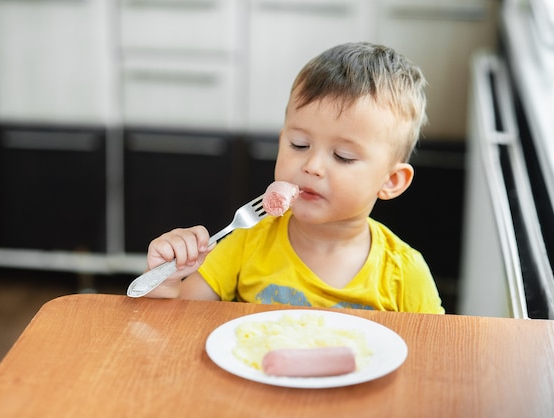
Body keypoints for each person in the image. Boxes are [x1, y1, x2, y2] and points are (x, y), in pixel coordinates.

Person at [143, 41, 444, 314]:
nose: (312, 166)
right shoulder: (247, 242)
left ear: (390, 181)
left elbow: (435, 356)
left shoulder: (404, 273)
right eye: (299, 145)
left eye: (343, 156)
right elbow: (179, 321)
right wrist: (166, 281)